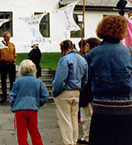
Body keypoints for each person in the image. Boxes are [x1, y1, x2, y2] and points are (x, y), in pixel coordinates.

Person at [85, 15, 132, 145]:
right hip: (126, 111)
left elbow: (85, 81)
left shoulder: (93, 54)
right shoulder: (128, 53)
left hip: (101, 110)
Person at [52, 40, 88, 145]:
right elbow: (85, 79)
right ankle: (74, 140)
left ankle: (68, 142)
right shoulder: (82, 59)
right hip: (76, 91)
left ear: (63, 49)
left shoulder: (64, 59)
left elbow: (60, 79)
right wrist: (79, 88)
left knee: (65, 120)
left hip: (64, 92)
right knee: (73, 118)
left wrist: (55, 92)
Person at [9, 59, 48, 145]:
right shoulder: (38, 82)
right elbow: (45, 95)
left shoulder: (18, 81)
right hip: (32, 109)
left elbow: (12, 96)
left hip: (20, 110)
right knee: (34, 132)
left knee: (21, 134)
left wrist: (13, 104)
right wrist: (38, 103)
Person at [77, 38, 101, 145]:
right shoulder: (99, 58)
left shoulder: (87, 59)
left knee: (86, 115)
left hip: (87, 91)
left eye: (87, 45)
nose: (85, 47)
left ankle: (87, 137)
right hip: (96, 90)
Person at [0, 31, 17, 103]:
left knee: (12, 81)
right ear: (4, 37)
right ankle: (4, 96)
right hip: (3, 64)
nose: (8, 39)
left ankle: (12, 96)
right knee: (3, 81)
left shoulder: (12, 45)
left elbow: (14, 54)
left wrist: (14, 61)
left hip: (11, 65)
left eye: (9, 37)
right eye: (7, 37)